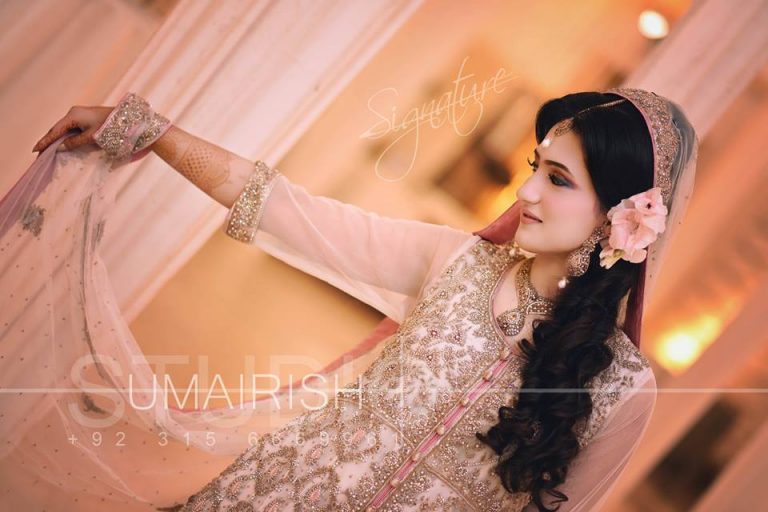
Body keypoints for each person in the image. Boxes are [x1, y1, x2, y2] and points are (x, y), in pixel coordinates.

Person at [6, 87, 697, 511]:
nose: (527, 192)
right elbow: (282, 208)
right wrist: (153, 131)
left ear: (623, 212)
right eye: (533, 168)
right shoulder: (457, 262)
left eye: (558, 179)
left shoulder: (623, 387)